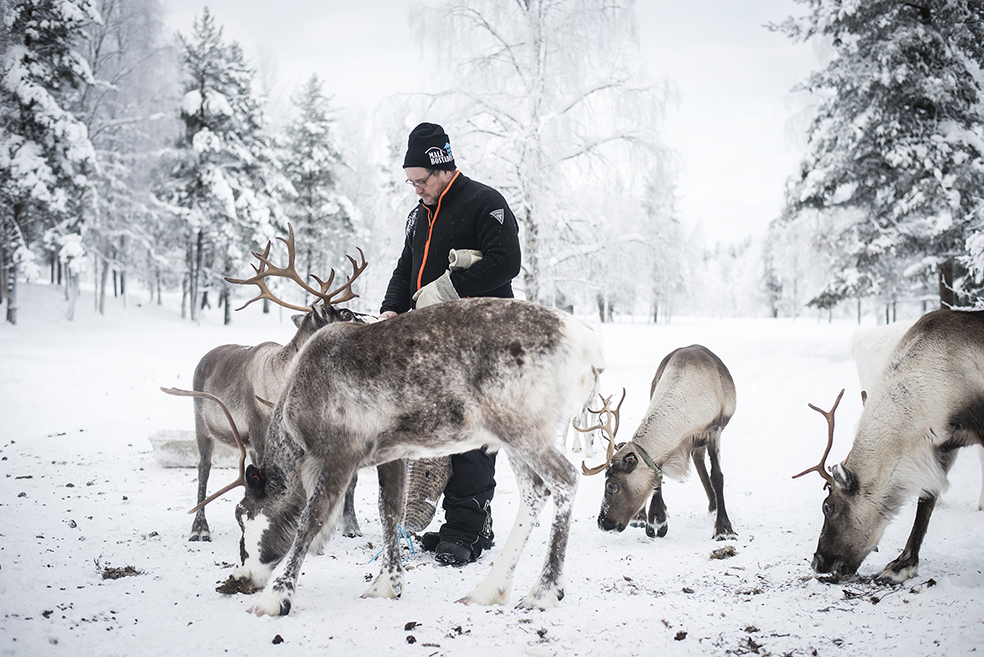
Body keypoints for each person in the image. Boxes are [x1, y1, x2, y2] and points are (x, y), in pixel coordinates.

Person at [379, 122, 522, 566]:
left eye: (421, 180)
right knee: (443, 433)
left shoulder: (485, 203)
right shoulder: (421, 215)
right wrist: (391, 310)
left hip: (483, 343)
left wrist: (450, 289)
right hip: (435, 348)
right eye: (411, 182)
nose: (416, 189)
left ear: (443, 166)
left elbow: (506, 262)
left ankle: (465, 527)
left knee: (475, 432)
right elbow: (406, 269)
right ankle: (468, 523)